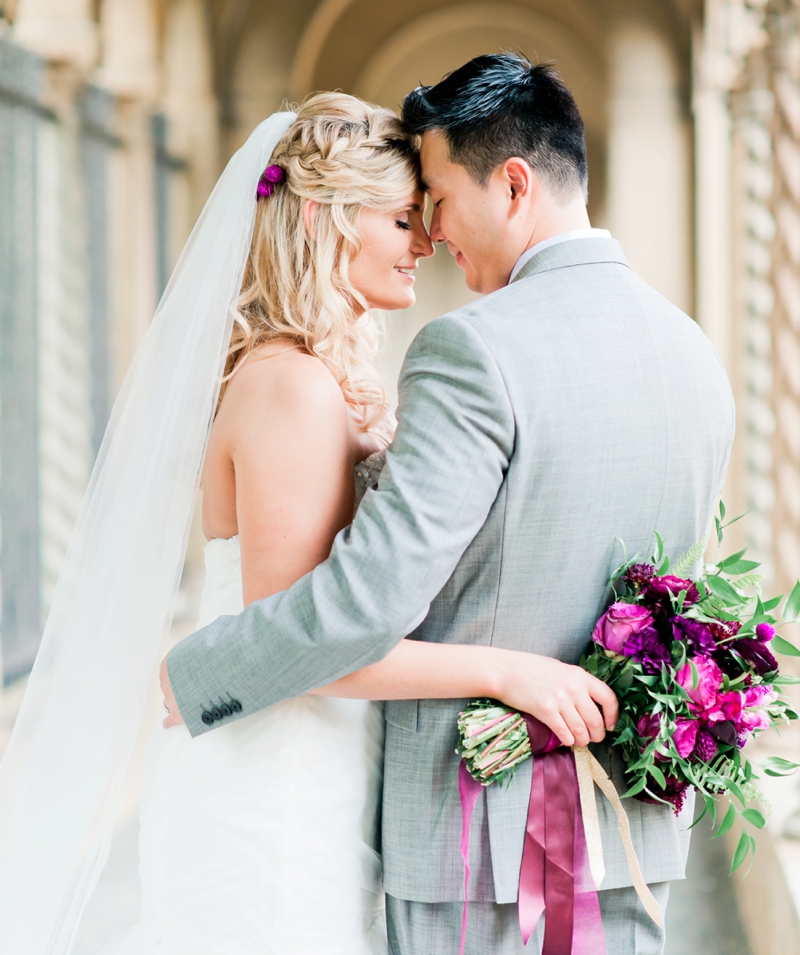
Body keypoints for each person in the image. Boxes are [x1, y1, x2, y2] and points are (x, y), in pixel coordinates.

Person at [165, 56, 736, 955]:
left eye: (432, 196)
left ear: (512, 186)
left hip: (472, 837)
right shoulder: (697, 356)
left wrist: (198, 673)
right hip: (633, 827)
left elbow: (361, 603)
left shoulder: (472, 351)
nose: (430, 229)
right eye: (407, 210)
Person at [100, 91, 616, 955]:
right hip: (274, 785)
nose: (424, 242)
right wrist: (514, 673)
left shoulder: (308, 380)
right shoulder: (292, 387)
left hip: (312, 771)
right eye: (404, 217)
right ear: (325, 219)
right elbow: (306, 648)